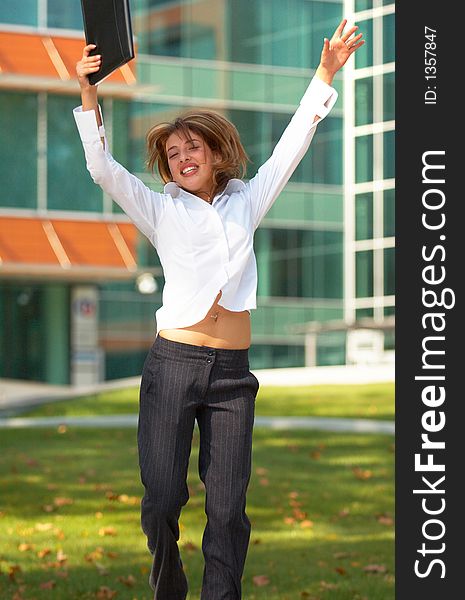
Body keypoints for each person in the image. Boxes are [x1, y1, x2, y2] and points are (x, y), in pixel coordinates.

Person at [74, 18, 363, 600]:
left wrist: (325, 71)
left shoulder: (246, 201)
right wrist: (89, 91)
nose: (183, 158)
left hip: (232, 376)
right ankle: (169, 588)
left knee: (228, 509)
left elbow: (291, 147)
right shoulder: (160, 211)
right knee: (160, 499)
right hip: (173, 365)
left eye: (193, 148)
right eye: (173, 153)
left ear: (214, 152)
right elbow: (102, 167)